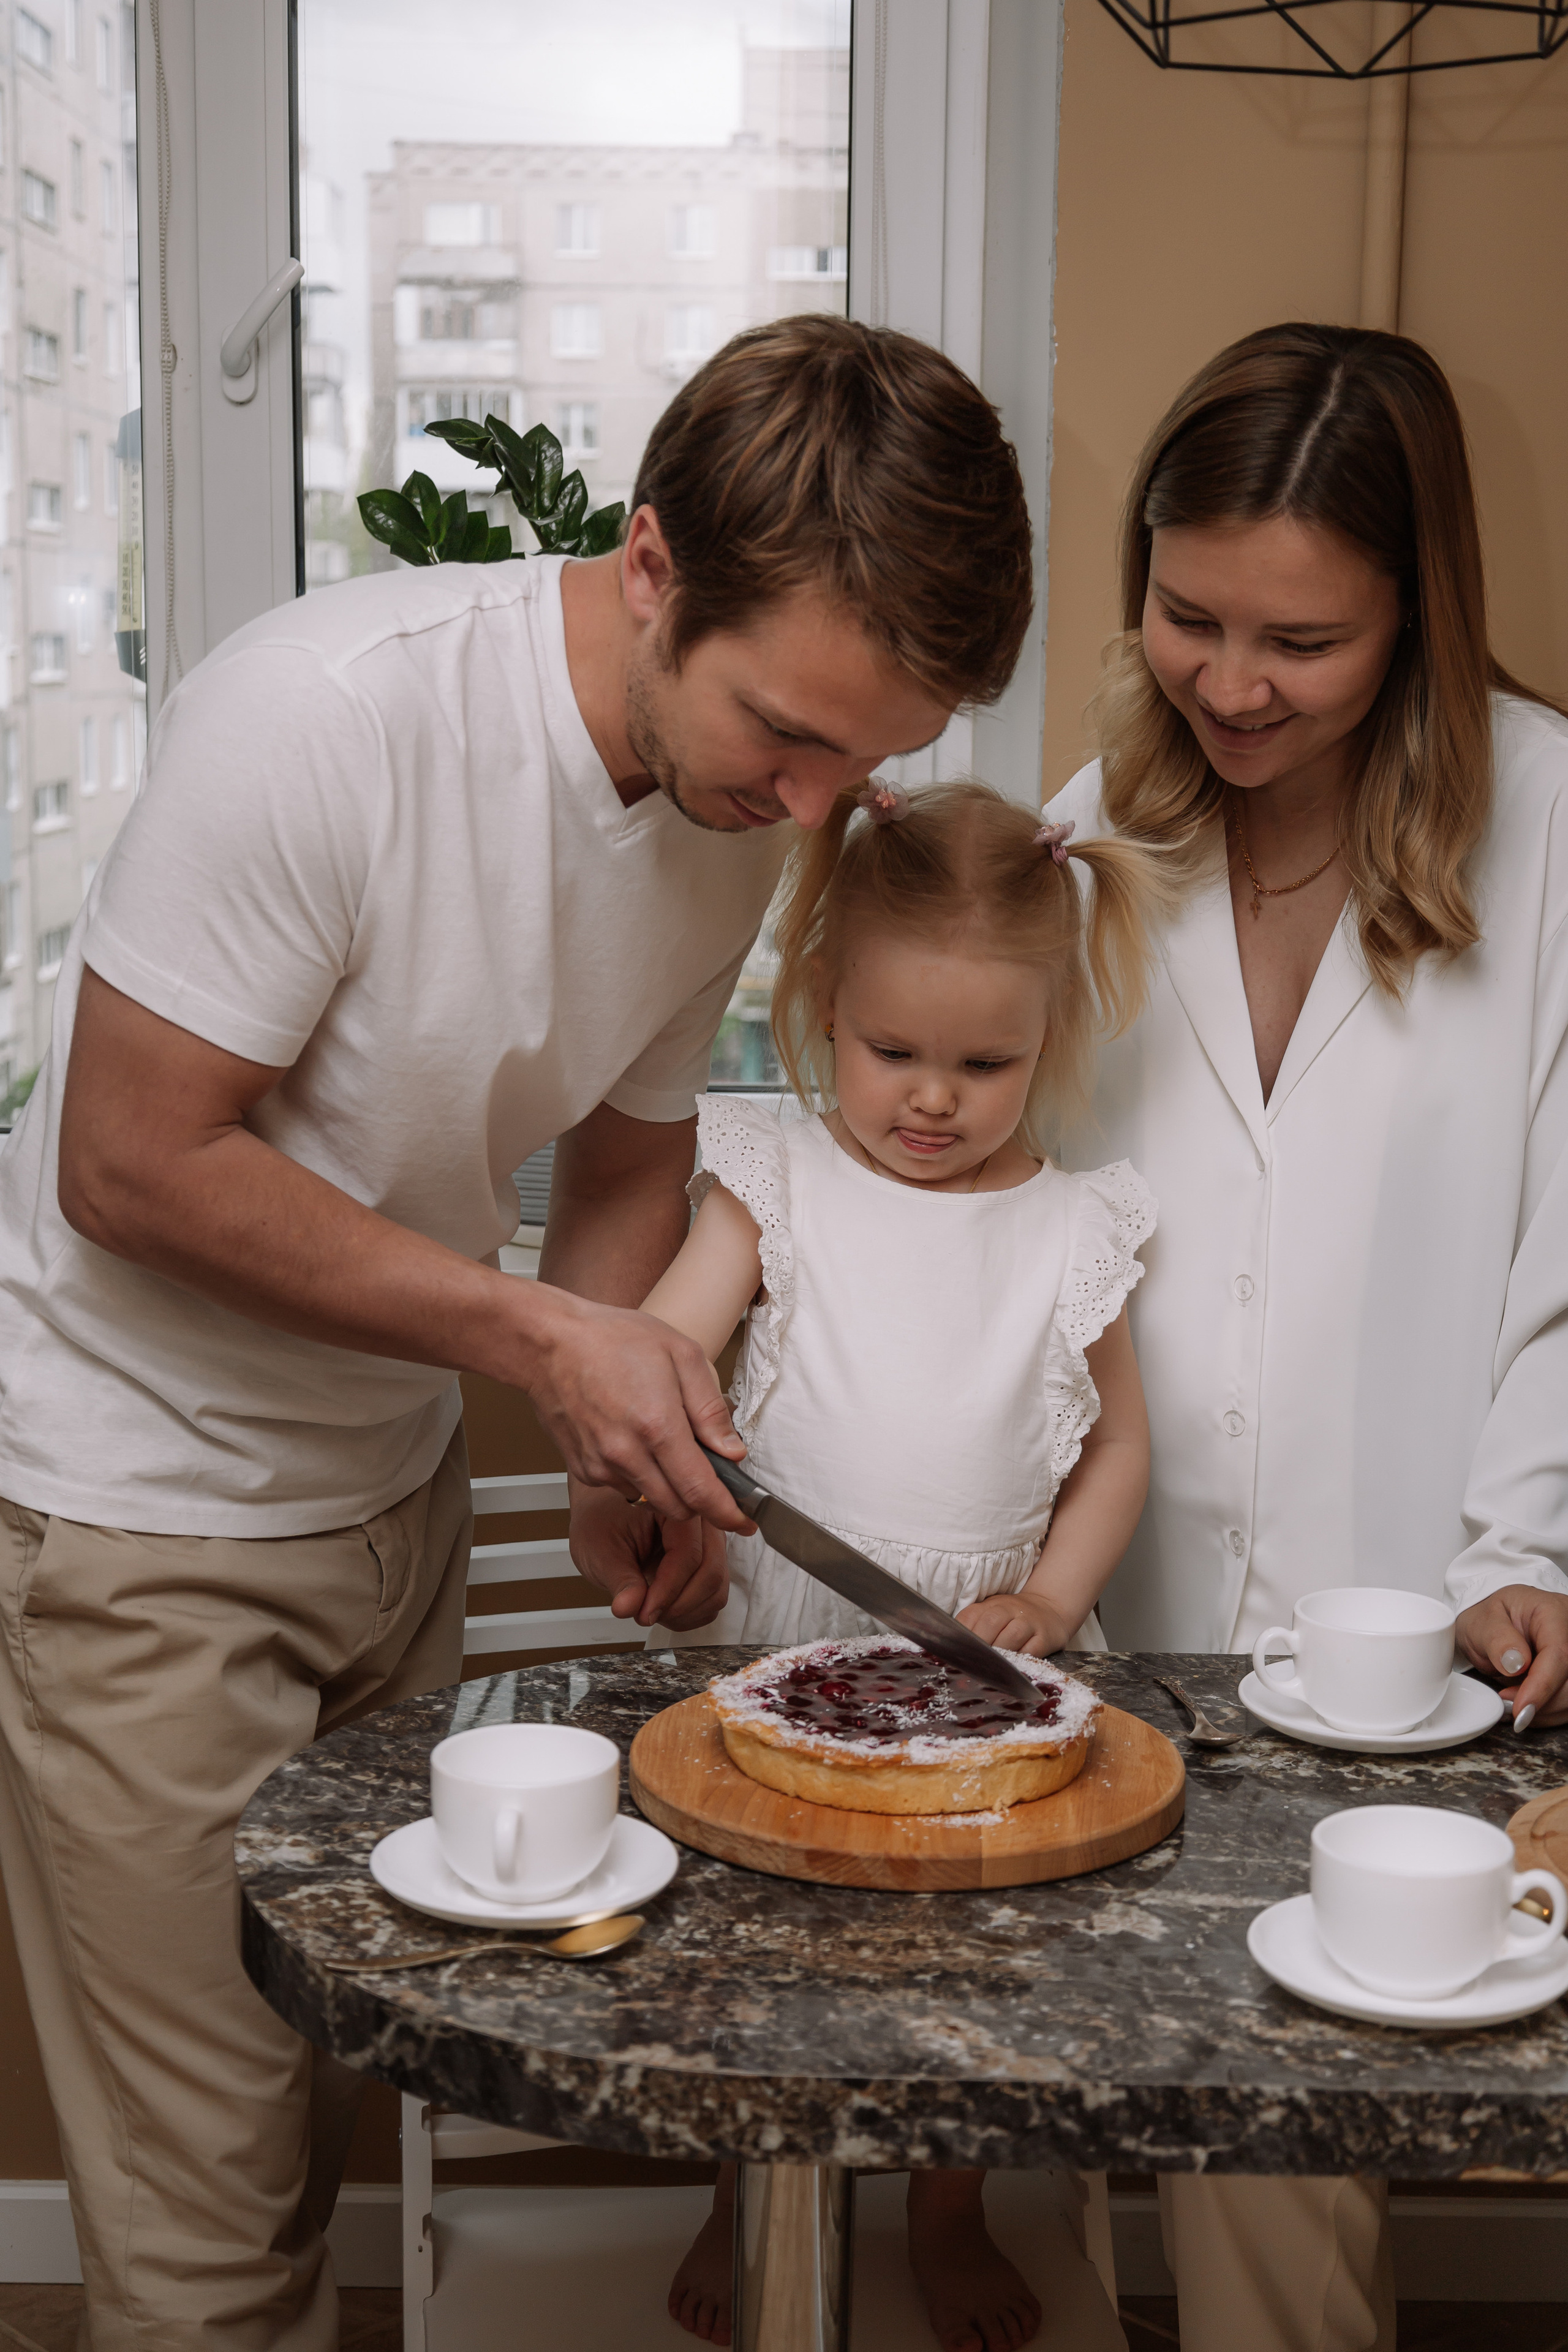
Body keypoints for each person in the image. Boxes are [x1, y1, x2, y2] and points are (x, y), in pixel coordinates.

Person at [0, 314, 1035, 2352]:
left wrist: (607, 1433)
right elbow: (125, 1161)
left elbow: (628, 1159)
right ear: (651, 563)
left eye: (864, 759)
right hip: (146, 1520)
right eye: (787, 736)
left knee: (316, 2112)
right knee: (212, 2238)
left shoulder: (733, 810)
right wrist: (545, 1348)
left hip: (386, 1507)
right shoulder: (326, 719)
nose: (816, 804)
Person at [1045, 321, 1568, 2352]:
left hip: (1405, 1640)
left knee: (1280, 2174)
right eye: (1189, 618)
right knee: (1056, 2129)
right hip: (1111, 1622)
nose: (1233, 686)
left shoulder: (1553, 824)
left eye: (1304, 642)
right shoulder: (1093, 831)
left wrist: (1533, 1545)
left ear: (1416, 612)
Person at [639, 779, 1163, 2352]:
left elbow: (1116, 1453)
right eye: (891, 1053)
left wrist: (1052, 1598)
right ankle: (748, 2193)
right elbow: (663, 1347)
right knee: (753, 1946)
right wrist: (670, 1443)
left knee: (976, 1967)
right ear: (820, 1005)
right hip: (776, 1636)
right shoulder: (773, 1180)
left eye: (984, 1065)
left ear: (1047, 1040)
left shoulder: (1071, 1228)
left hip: (983, 1663)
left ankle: (947, 2208)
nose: (932, 1099)